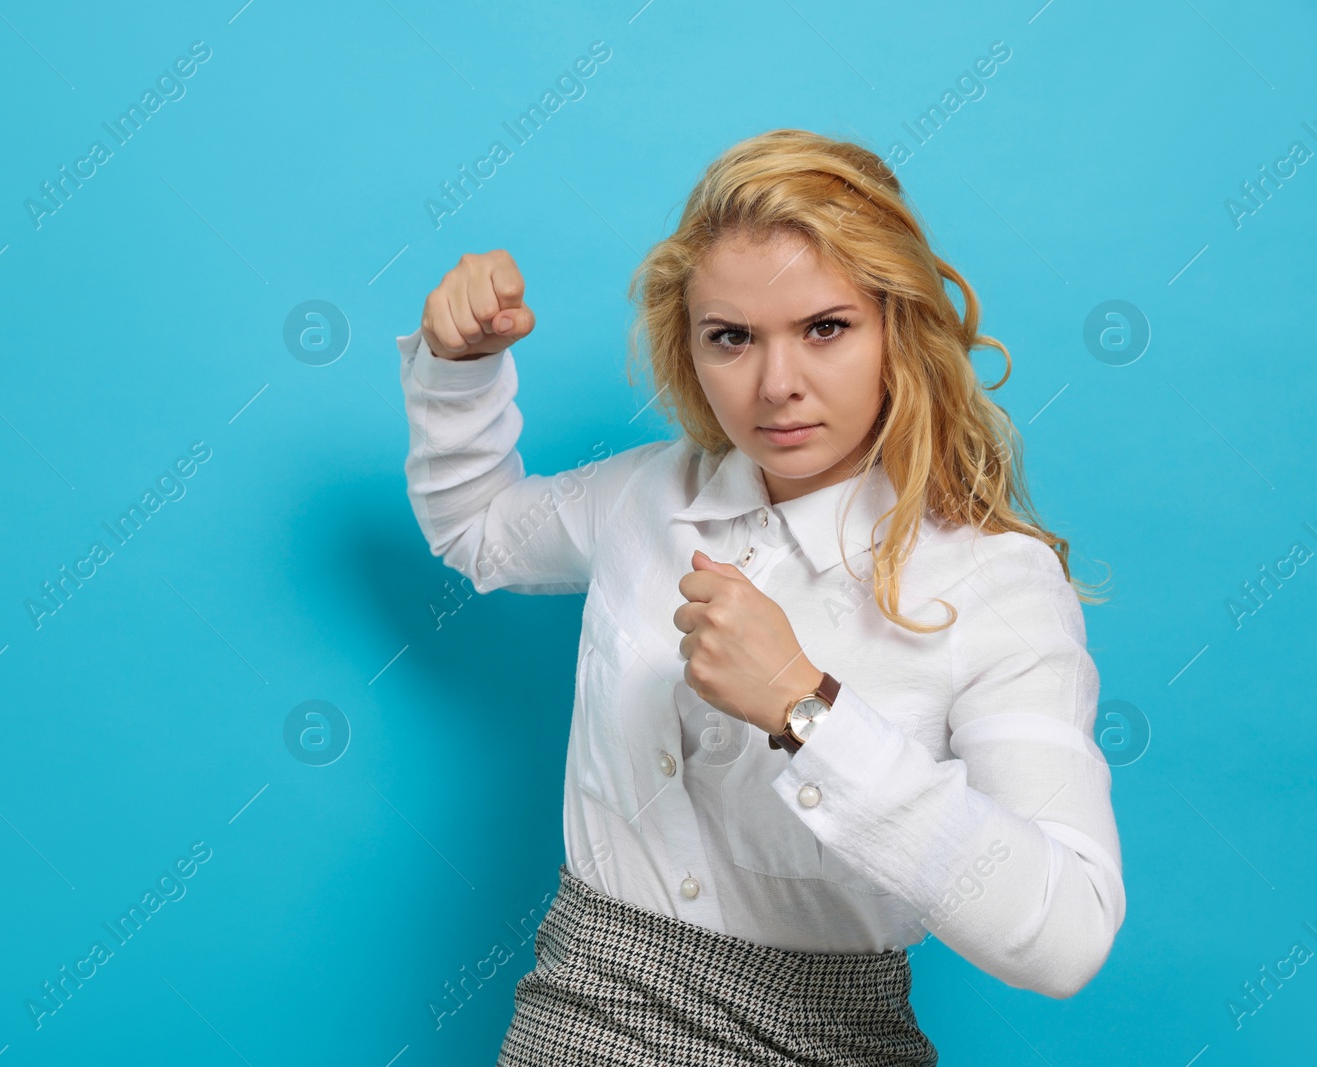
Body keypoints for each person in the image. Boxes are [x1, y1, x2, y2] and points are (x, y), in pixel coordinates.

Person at [397, 128, 1124, 1066]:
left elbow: (1067, 935)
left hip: (830, 1037)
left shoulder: (993, 583)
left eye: (826, 327)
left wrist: (806, 707)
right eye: (732, 337)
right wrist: (460, 369)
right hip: (583, 1015)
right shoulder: (648, 495)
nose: (777, 386)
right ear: (688, 345)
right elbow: (480, 528)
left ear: (897, 326)